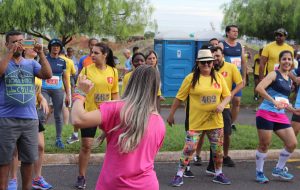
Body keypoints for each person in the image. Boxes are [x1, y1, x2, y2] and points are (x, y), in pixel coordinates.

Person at [71, 65, 165, 190]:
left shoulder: (116, 109)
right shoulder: (159, 122)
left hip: (114, 185)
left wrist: (80, 92)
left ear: (131, 83)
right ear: (155, 88)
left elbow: (78, 120)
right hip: (148, 185)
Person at [168, 49, 232, 186]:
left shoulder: (218, 77)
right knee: (189, 149)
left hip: (215, 122)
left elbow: (228, 95)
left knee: (218, 150)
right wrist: (171, 115)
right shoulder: (190, 78)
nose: (206, 65)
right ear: (198, 63)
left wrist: (222, 104)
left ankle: (218, 173)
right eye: (203, 62)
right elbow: (179, 98)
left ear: (213, 63)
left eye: (209, 62)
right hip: (196, 122)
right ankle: (179, 174)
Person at [0, 30, 52, 190]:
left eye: (21, 41)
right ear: (6, 44)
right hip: (6, 119)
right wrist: (10, 52)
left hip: (30, 119)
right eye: (14, 41)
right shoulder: (3, 62)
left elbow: (47, 74)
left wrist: (41, 53)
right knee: (3, 160)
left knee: (28, 159)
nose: (19, 44)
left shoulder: (31, 63)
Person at [184, 47, 243, 178]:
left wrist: (227, 99)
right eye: (213, 56)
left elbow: (240, 83)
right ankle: (193, 161)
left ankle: (215, 167)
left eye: (216, 56)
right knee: (197, 138)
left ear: (222, 55)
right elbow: (183, 96)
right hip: (199, 114)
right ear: (198, 62)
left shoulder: (227, 69)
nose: (211, 61)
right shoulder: (195, 75)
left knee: (221, 137)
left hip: (223, 108)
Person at [75, 43, 119, 189]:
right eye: (91, 53)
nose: (92, 55)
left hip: (109, 114)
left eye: (96, 53)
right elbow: (78, 91)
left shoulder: (113, 71)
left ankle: (113, 176)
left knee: (113, 146)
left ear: (105, 54)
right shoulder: (86, 70)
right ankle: (81, 176)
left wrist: (118, 111)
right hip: (91, 113)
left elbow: (115, 94)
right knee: (86, 146)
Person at [255, 50, 297, 183]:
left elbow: (283, 100)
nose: (287, 62)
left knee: (292, 143)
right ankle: (259, 173)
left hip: (280, 115)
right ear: (279, 61)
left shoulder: (289, 80)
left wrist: (294, 110)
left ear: (292, 62)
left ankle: (278, 169)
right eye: (284, 59)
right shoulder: (274, 74)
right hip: (266, 113)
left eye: (289, 59)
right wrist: (273, 101)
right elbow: (259, 88)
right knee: (264, 144)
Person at [67, 38, 98, 144]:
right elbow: (79, 74)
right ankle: (75, 134)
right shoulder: (83, 59)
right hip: (84, 91)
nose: (93, 47)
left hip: (97, 92)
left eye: (96, 45)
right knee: (79, 112)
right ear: (89, 45)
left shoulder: (102, 59)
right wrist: (77, 89)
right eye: (92, 45)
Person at [41, 39, 70, 149]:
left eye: (58, 46)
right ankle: (39, 136)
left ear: (60, 48)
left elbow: (66, 79)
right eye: (53, 46)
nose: (55, 48)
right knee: (43, 113)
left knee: (58, 115)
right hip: (44, 89)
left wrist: (67, 94)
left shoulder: (62, 62)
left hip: (58, 90)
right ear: (50, 47)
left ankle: (58, 139)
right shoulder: (44, 59)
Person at [219, 25, 246, 135]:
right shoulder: (222, 45)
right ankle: (221, 123)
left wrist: (244, 78)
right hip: (225, 78)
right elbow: (218, 59)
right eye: (233, 31)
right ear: (227, 33)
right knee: (225, 101)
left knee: (237, 101)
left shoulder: (240, 46)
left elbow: (243, 62)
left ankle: (230, 123)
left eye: (237, 31)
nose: (236, 33)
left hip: (237, 78)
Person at [60, 49, 76, 126]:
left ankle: (45, 124)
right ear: (65, 53)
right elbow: (74, 73)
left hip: (54, 85)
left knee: (51, 106)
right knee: (66, 106)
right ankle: (66, 124)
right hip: (66, 86)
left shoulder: (53, 60)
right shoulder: (70, 61)